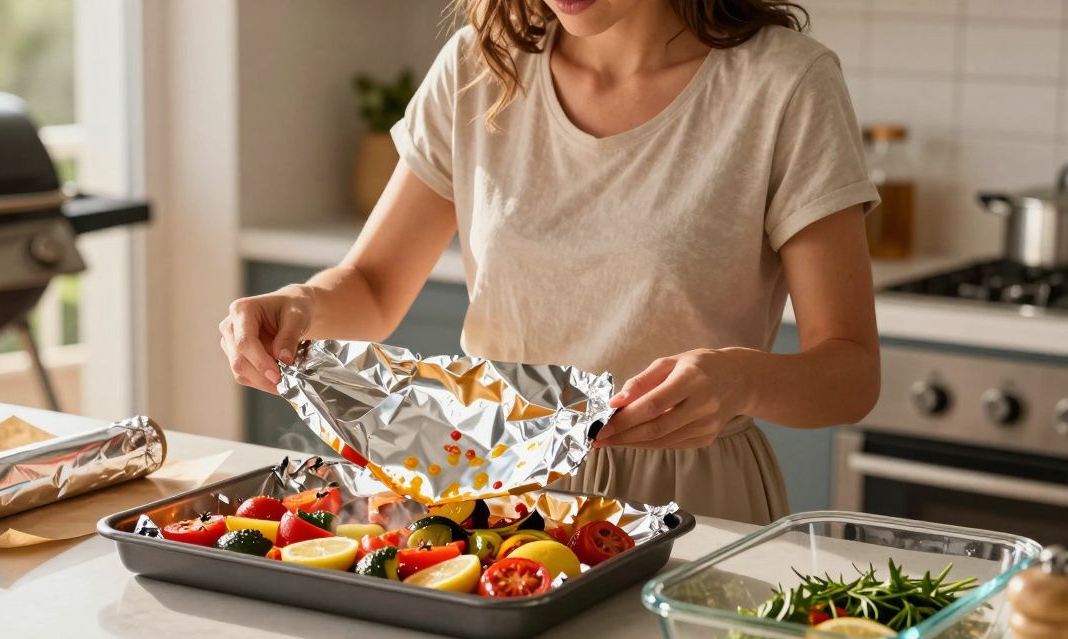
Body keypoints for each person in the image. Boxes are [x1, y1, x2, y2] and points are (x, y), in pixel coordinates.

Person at [219, 0, 880, 524]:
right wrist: (302, 305)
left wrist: (742, 380)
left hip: (691, 505)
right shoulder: (480, 68)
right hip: (492, 494)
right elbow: (371, 286)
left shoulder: (785, 86)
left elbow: (851, 370)